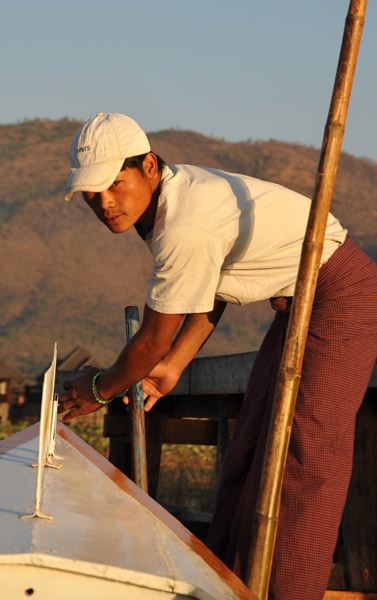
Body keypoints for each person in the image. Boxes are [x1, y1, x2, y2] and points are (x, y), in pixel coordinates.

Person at [59, 112, 377, 600]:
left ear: (147, 166)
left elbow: (149, 341)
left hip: (341, 296)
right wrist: (170, 371)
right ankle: (232, 585)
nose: (103, 203)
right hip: (299, 306)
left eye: (114, 184)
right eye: (91, 193)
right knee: (249, 447)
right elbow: (207, 297)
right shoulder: (169, 200)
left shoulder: (183, 222)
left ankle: (287, 593)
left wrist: (100, 388)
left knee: (302, 460)